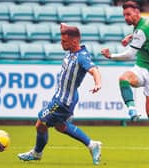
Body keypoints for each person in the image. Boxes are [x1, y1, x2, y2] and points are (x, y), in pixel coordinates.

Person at [18, 23, 102, 165]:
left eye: (64, 41)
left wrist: (98, 83)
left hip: (63, 101)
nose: (61, 43)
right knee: (60, 126)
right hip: (64, 97)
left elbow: (94, 70)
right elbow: (69, 33)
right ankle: (92, 144)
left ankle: (37, 153)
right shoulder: (72, 50)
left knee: (40, 124)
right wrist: (63, 27)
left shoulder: (81, 57)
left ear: (74, 41)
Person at [101, 0, 149, 121]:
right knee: (124, 79)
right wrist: (131, 36)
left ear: (137, 12)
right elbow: (142, 34)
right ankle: (132, 109)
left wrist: (111, 56)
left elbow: (129, 55)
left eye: (128, 14)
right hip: (141, 67)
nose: (126, 18)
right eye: (124, 15)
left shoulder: (141, 30)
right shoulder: (143, 25)